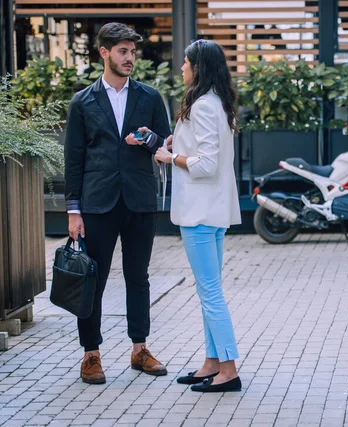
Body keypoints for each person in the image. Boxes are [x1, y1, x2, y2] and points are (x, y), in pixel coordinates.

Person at [64, 22, 171, 384]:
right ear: (104, 53)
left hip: (139, 200)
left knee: (138, 277)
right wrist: (73, 210)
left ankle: (140, 349)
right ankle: (91, 354)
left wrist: (150, 138)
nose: (130, 58)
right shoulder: (83, 101)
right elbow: (74, 158)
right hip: (97, 203)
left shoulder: (150, 97)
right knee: (93, 281)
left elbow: (166, 144)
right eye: (123, 51)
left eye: (132, 51)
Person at [154, 39, 242, 393]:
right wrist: (178, 144)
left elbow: (206, 165)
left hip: (200, 213)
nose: (182, 67)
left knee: (209, 292)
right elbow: (209, 152)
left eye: (186, 62)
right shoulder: (215, 103)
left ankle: (229, 368)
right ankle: (211, 362)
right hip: (212, 211)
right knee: (209, 290)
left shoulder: (204, 106)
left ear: (198, 67)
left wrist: (169, 158)